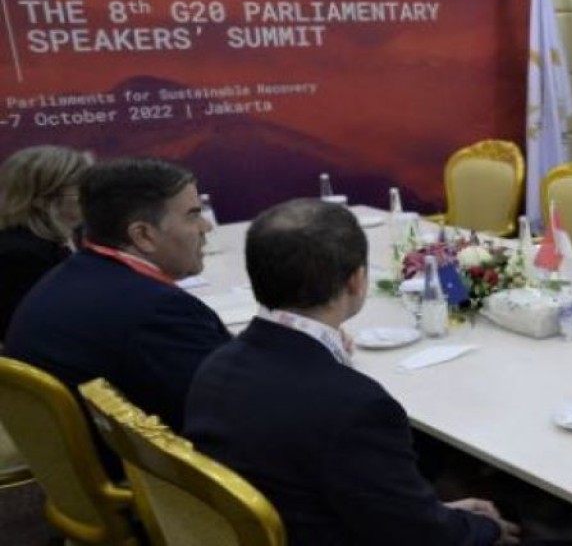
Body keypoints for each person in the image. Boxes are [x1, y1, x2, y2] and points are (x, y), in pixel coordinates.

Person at [186, 199, 517, 545]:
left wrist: (435, 511)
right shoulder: (355, 406)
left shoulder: (215, 366)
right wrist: (484, 528)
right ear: (357, 280)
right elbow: (419, 536)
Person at [5, 157, 228, 431]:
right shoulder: (158, 312)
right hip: (138, 467)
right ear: (143, 235)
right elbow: (228, 410)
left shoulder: (74, 273)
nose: (207, 227)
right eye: (193, 215)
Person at [0, 146, 90, 342]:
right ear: (43, 199)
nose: (90, 198)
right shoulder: (20, 256)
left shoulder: (57, 242)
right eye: (82, 189)